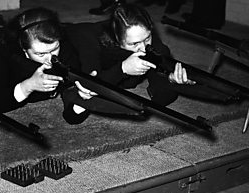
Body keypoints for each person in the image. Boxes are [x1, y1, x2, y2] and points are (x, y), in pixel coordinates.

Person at [62, 3, 208, 124]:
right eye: (134, 43)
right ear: (117, 39)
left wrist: (172, 80)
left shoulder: (151, 43)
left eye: (147, 38)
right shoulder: (89, 41)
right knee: (77, 105)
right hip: (67, 39)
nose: (144, 48)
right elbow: (75, 112)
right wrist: (122, 68)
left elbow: (161, 98)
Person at [0, 7, 81, 113]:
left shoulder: (62, 45)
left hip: (11, 40)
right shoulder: (3, 55)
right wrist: (27, 86)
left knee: (2, 32)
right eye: (40, 53)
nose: (50, 58)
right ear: (23, 48)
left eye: (54, 49)